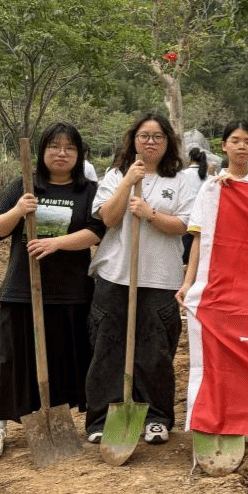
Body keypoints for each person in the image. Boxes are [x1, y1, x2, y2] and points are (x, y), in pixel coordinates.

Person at [0, 123, 104, 459]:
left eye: (69, 148)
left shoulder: (90, 191)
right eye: (54, 147)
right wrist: (18, 210)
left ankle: (71, 420)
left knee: (65, 359)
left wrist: (56, 243)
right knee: (10, 359)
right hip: (22, 288)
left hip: (70, 292)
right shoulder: (24, 185)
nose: (61, 154)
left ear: (79, 155)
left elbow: (97, 231)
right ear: (42, 152)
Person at [85, 113, 196, 445]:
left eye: (158, 136)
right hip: (115, 275)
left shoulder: (182, 180)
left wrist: (150, 214)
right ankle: (101, 417)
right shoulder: (115, 175)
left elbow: (186, 226)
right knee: (108, 348)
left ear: (168, 143)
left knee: (156, 351)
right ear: (133, 140)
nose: (151, 142)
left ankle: (158, 417)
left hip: (160, 277)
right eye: (144, 136)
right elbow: (108, 217)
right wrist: (126, 181)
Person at [178, 120, 248, 300]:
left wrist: (238, 190)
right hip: (219, 274)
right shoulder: (210, 187)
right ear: (224, 146)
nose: (242, 146)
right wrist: (187, 283)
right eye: (235, 141)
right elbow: (199, 237)